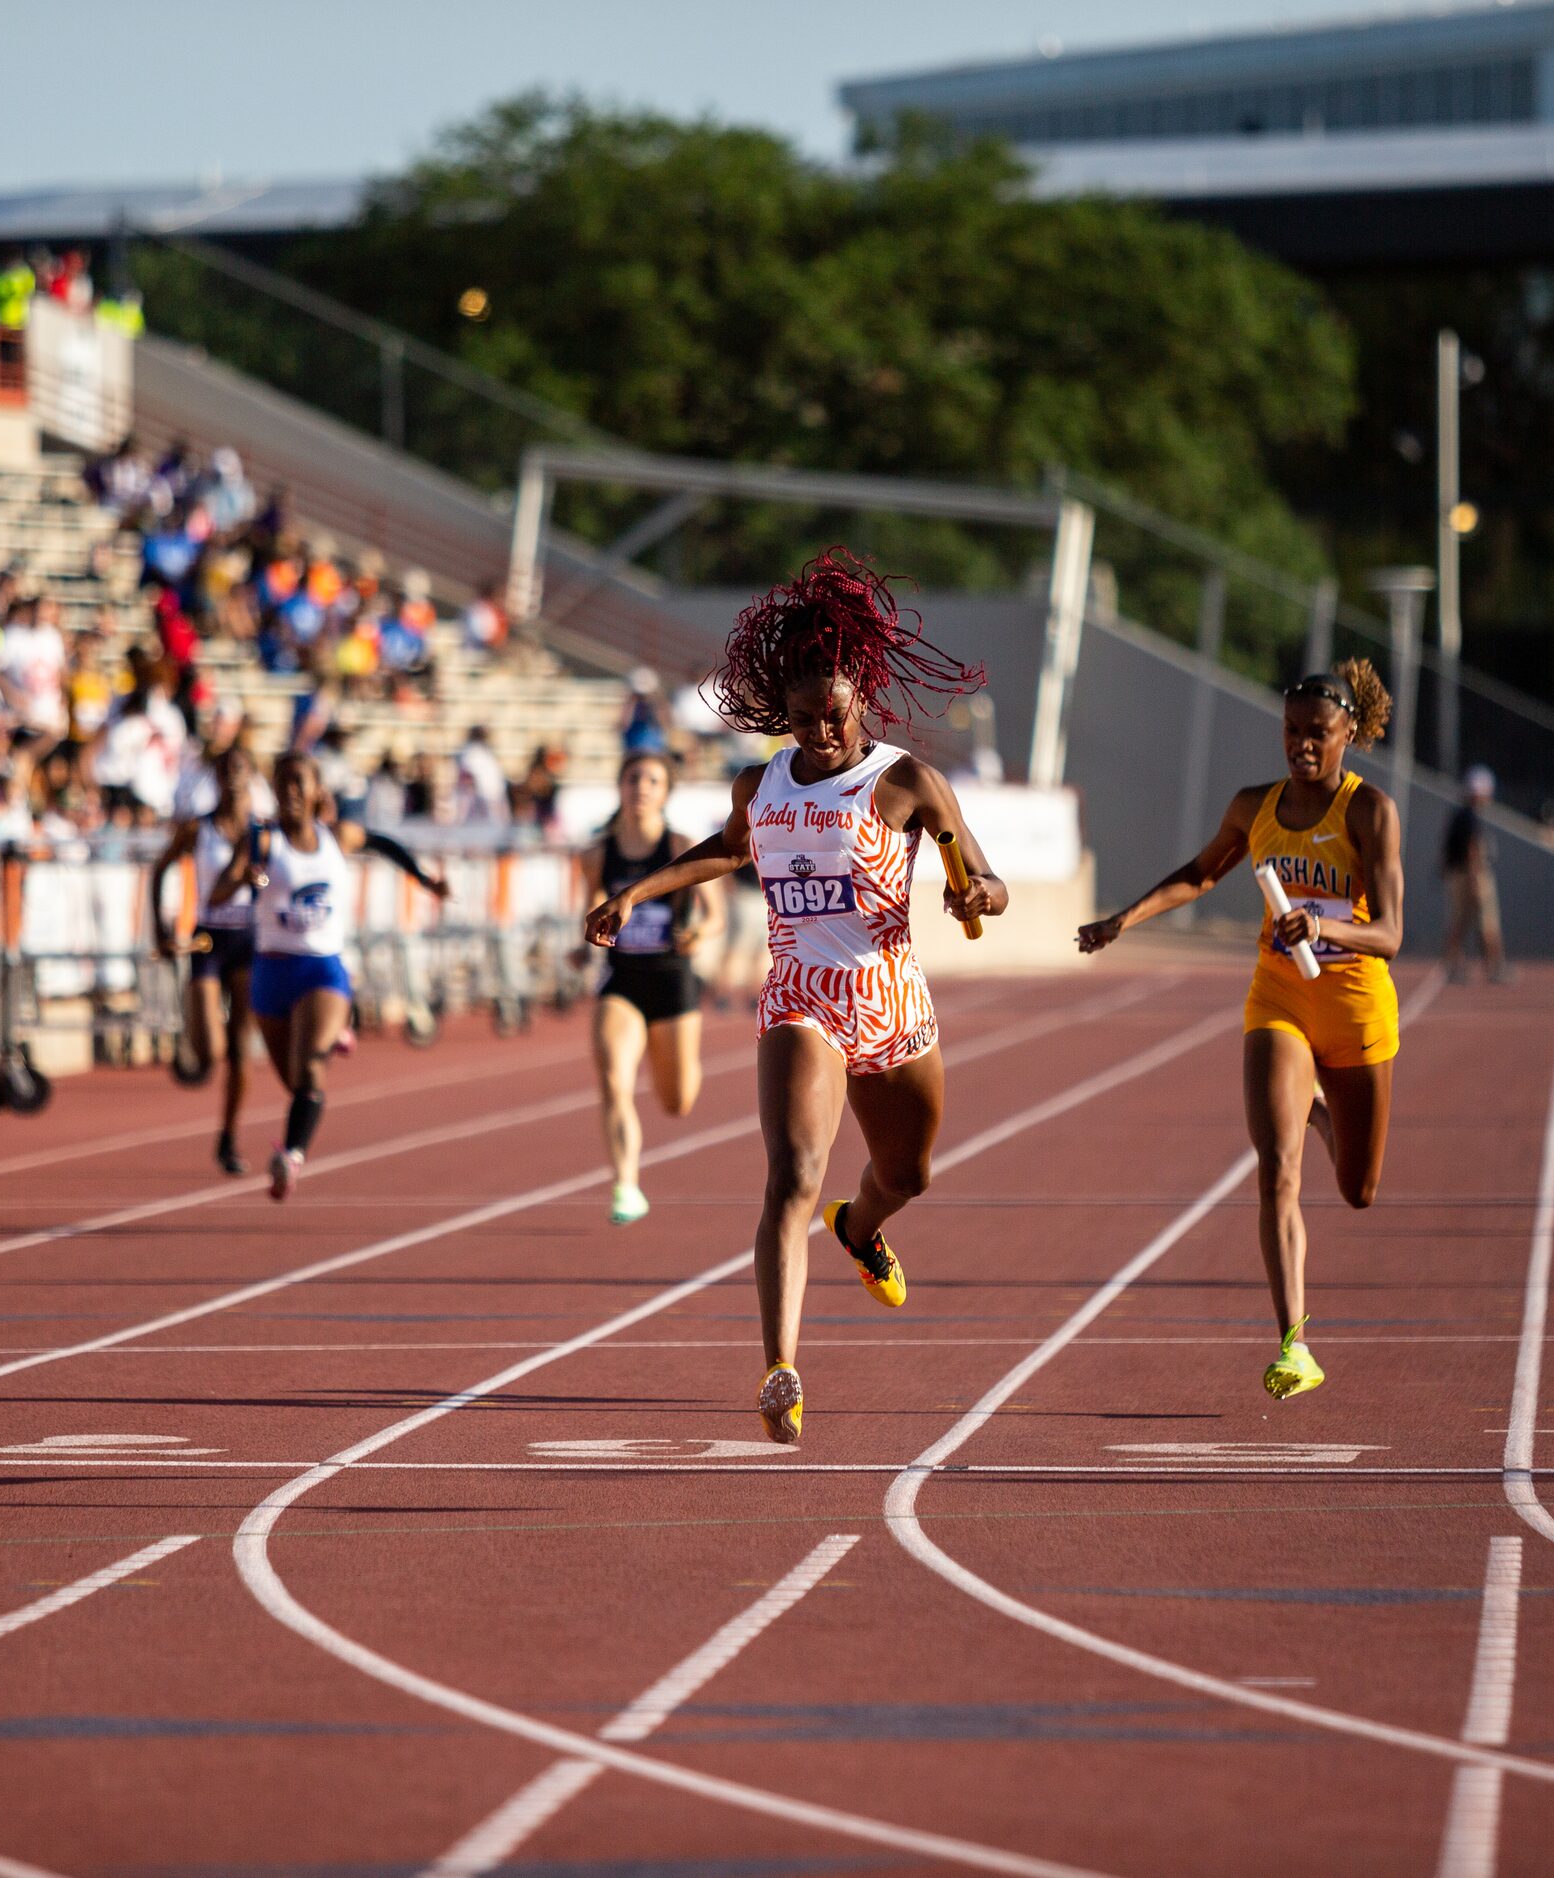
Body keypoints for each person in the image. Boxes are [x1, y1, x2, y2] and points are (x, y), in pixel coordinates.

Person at [582, 552, 1003, 1445]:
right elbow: (728, 851)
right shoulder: (762, 784)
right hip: (800, 1000)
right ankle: (781, 1369)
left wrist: (976, 895)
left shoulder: (905, 782)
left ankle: (863, 1228)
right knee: (791, 1176)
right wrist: (636, 893)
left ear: (863, 699)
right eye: (803, 716)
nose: (818, 731)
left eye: (833, 715)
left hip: (892, 1003)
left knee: (908, 1174)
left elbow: (987, 878)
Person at [1077, 662, 1404, 1403]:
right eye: (1291, 732)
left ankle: (1319, 1111)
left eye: (1317, 734)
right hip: (1280, 998)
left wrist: (1323, 924)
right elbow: (1200, 874)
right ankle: (1294, 1343)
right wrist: (1120, 921)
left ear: (1349, 735)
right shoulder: (1255, 805)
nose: (1302, 747)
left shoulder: (1369, 813)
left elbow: (1390, 933)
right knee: (1277, 1171)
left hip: (1355, 1008)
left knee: (1359, 1189)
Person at [225, 751, 448, 1200]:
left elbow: (383, 843)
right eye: (282, 781)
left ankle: (291, 1155)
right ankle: (330, 1039)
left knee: (309, 1071)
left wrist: (422, 878)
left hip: (320, 966)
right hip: (270, 969)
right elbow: (228, 883)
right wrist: (248, 878)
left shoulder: (337, 836)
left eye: (299, 782)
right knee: (297, 1084)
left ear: (316, 793)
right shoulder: (262, 840)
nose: (290, 791)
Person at [587, 750, 722, 1225]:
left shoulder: (680, 846)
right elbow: (591, 909)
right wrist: (582, 946)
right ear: (620, 787)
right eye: (633, 779)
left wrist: (698, 934)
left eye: (652, 781)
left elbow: (716, 915)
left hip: (673, 981)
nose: (641, 787)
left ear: (666, 792)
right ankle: (626, 1185)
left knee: (676, 1101)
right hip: (622, 981)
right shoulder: (599, 854)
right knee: (612, 1082)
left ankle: (677, 1060)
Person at [157, 743, 270, 1175]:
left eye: (241, 769)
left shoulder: (263, 830)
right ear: (217, 777)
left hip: (248, 937)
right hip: (207, 938)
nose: (234, 777)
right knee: (212, 1050)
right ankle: (197, 1040)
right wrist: (159, 928)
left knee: (241, 1049)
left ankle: (229, 1136)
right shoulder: (198, 828)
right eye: (226, 770)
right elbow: (161, 867)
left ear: (251, 775)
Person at [1441, 764, 1508, 984]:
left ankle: (1453, 965)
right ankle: (1494, 967)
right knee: (1487, 923)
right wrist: (1475, 877)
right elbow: (1472, 848)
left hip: (1459, 874)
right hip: (1472, 875)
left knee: (1459, 923)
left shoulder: (1460, 815)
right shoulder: (1470, 817)